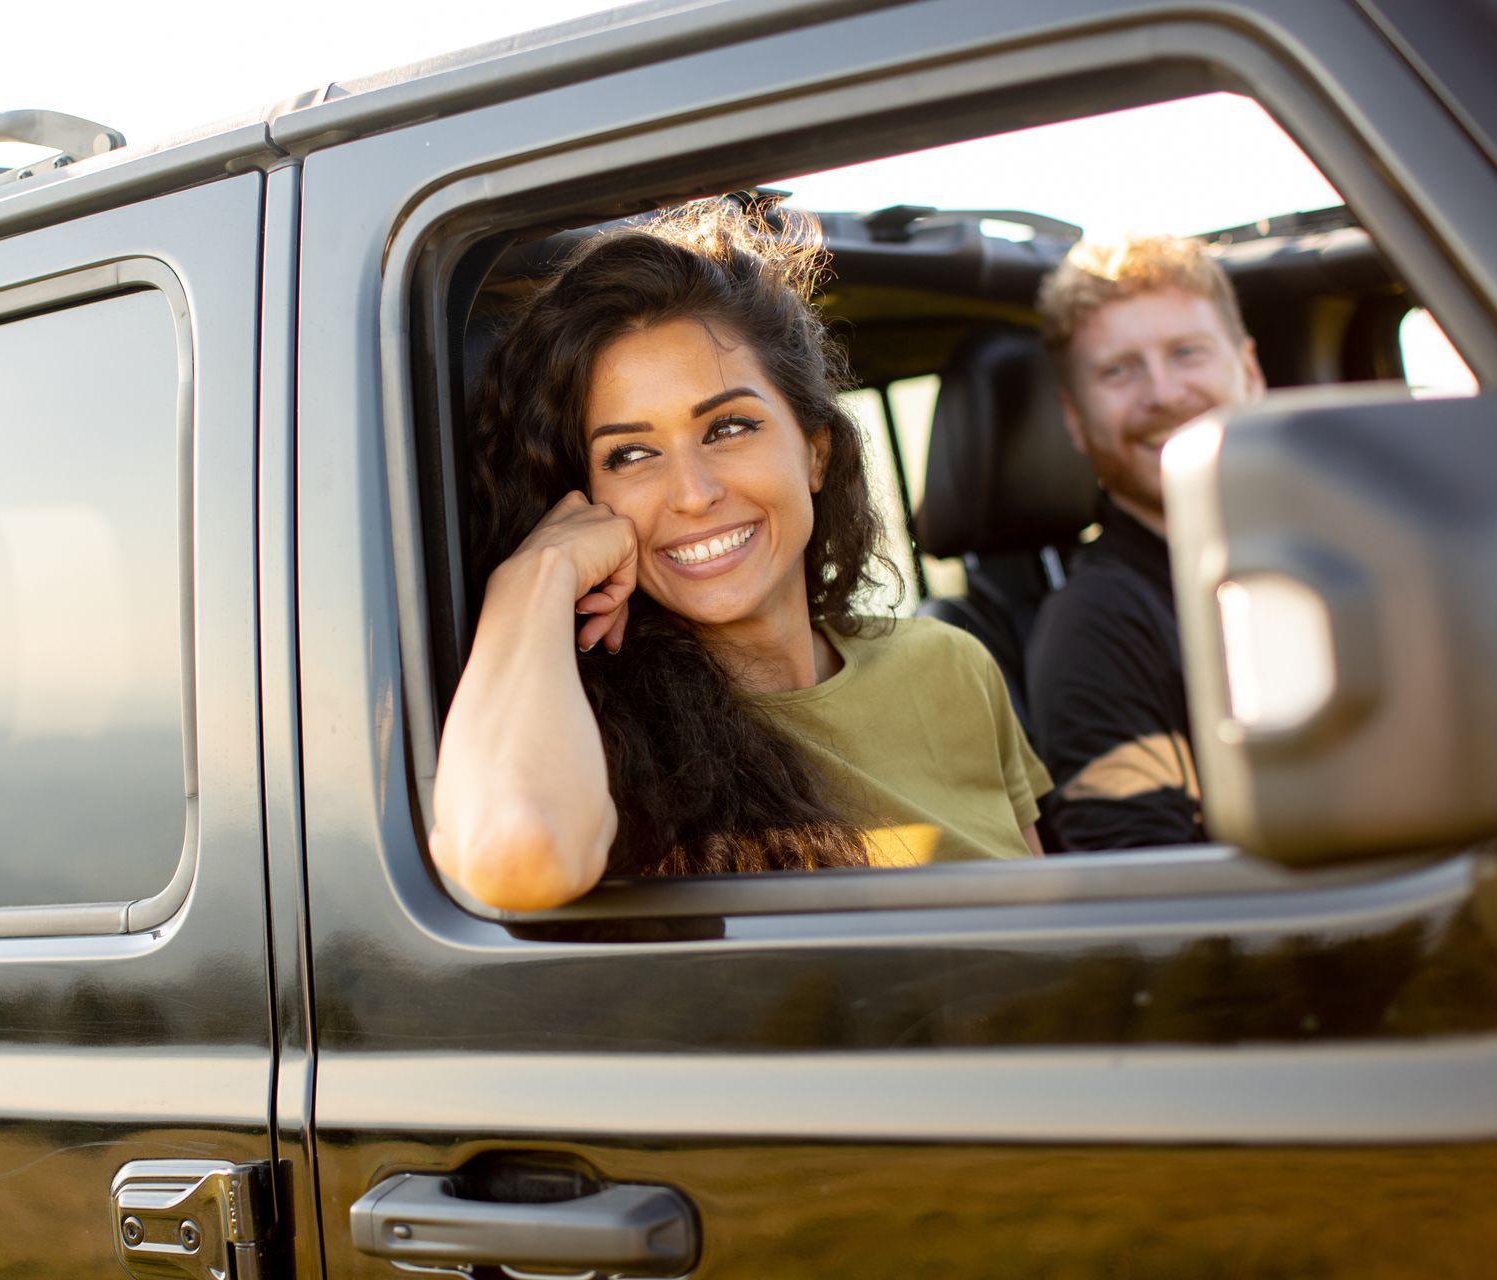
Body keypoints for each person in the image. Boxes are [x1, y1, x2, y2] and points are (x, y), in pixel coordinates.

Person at [430, 200, 1050, 912]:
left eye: (728, 428)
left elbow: (1054, 937)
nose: (693, 495)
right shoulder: (586, 739)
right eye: (630, 454)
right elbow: (514, 854)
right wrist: (531, 579)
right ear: (583, 501)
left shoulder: (952, 665)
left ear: (814, 451)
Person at [1027, 235, 1265, 851]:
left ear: (1252, 373)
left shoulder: (1342, 551)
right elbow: (1152, 903)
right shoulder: (1096, 623)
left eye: (1187, 352)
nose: (1162, 393)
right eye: (1119, 370)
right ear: (1075, 419)